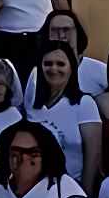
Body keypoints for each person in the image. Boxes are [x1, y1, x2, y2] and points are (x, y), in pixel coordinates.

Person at [24, 43, 102, 190]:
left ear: (71, 68)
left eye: (60, 64)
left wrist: (86, 192)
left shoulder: (84, 104)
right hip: (34, 187)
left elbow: (93, 154)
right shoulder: (32, 104)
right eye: (48, 64)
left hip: (71, 187)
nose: (53, 69)